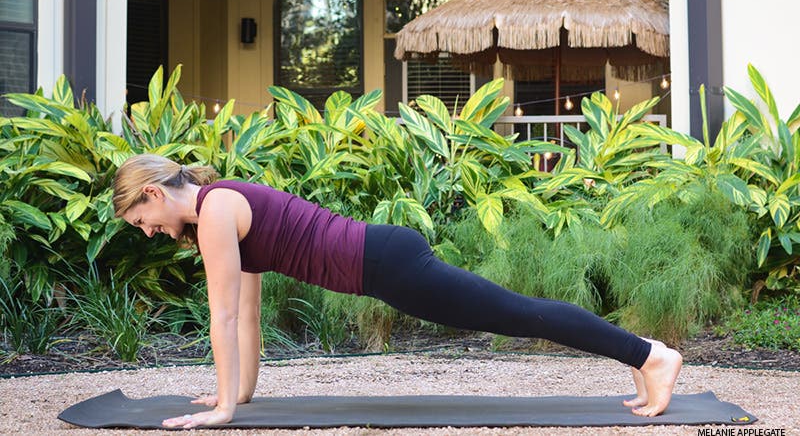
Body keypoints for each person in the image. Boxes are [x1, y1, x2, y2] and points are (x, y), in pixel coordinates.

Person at [112, 154, 682, 429]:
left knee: (520, 315)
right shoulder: (224, 201)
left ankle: (651, 355)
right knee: (518, 313)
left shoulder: (213, 212)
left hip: (388, 265)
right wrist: (237, 394)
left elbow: (225, 319)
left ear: (154, 194)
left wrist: (224, 411)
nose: (148, 232)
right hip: (385, 261)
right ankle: (638, 354)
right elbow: (248, 311)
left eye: (140, 220)